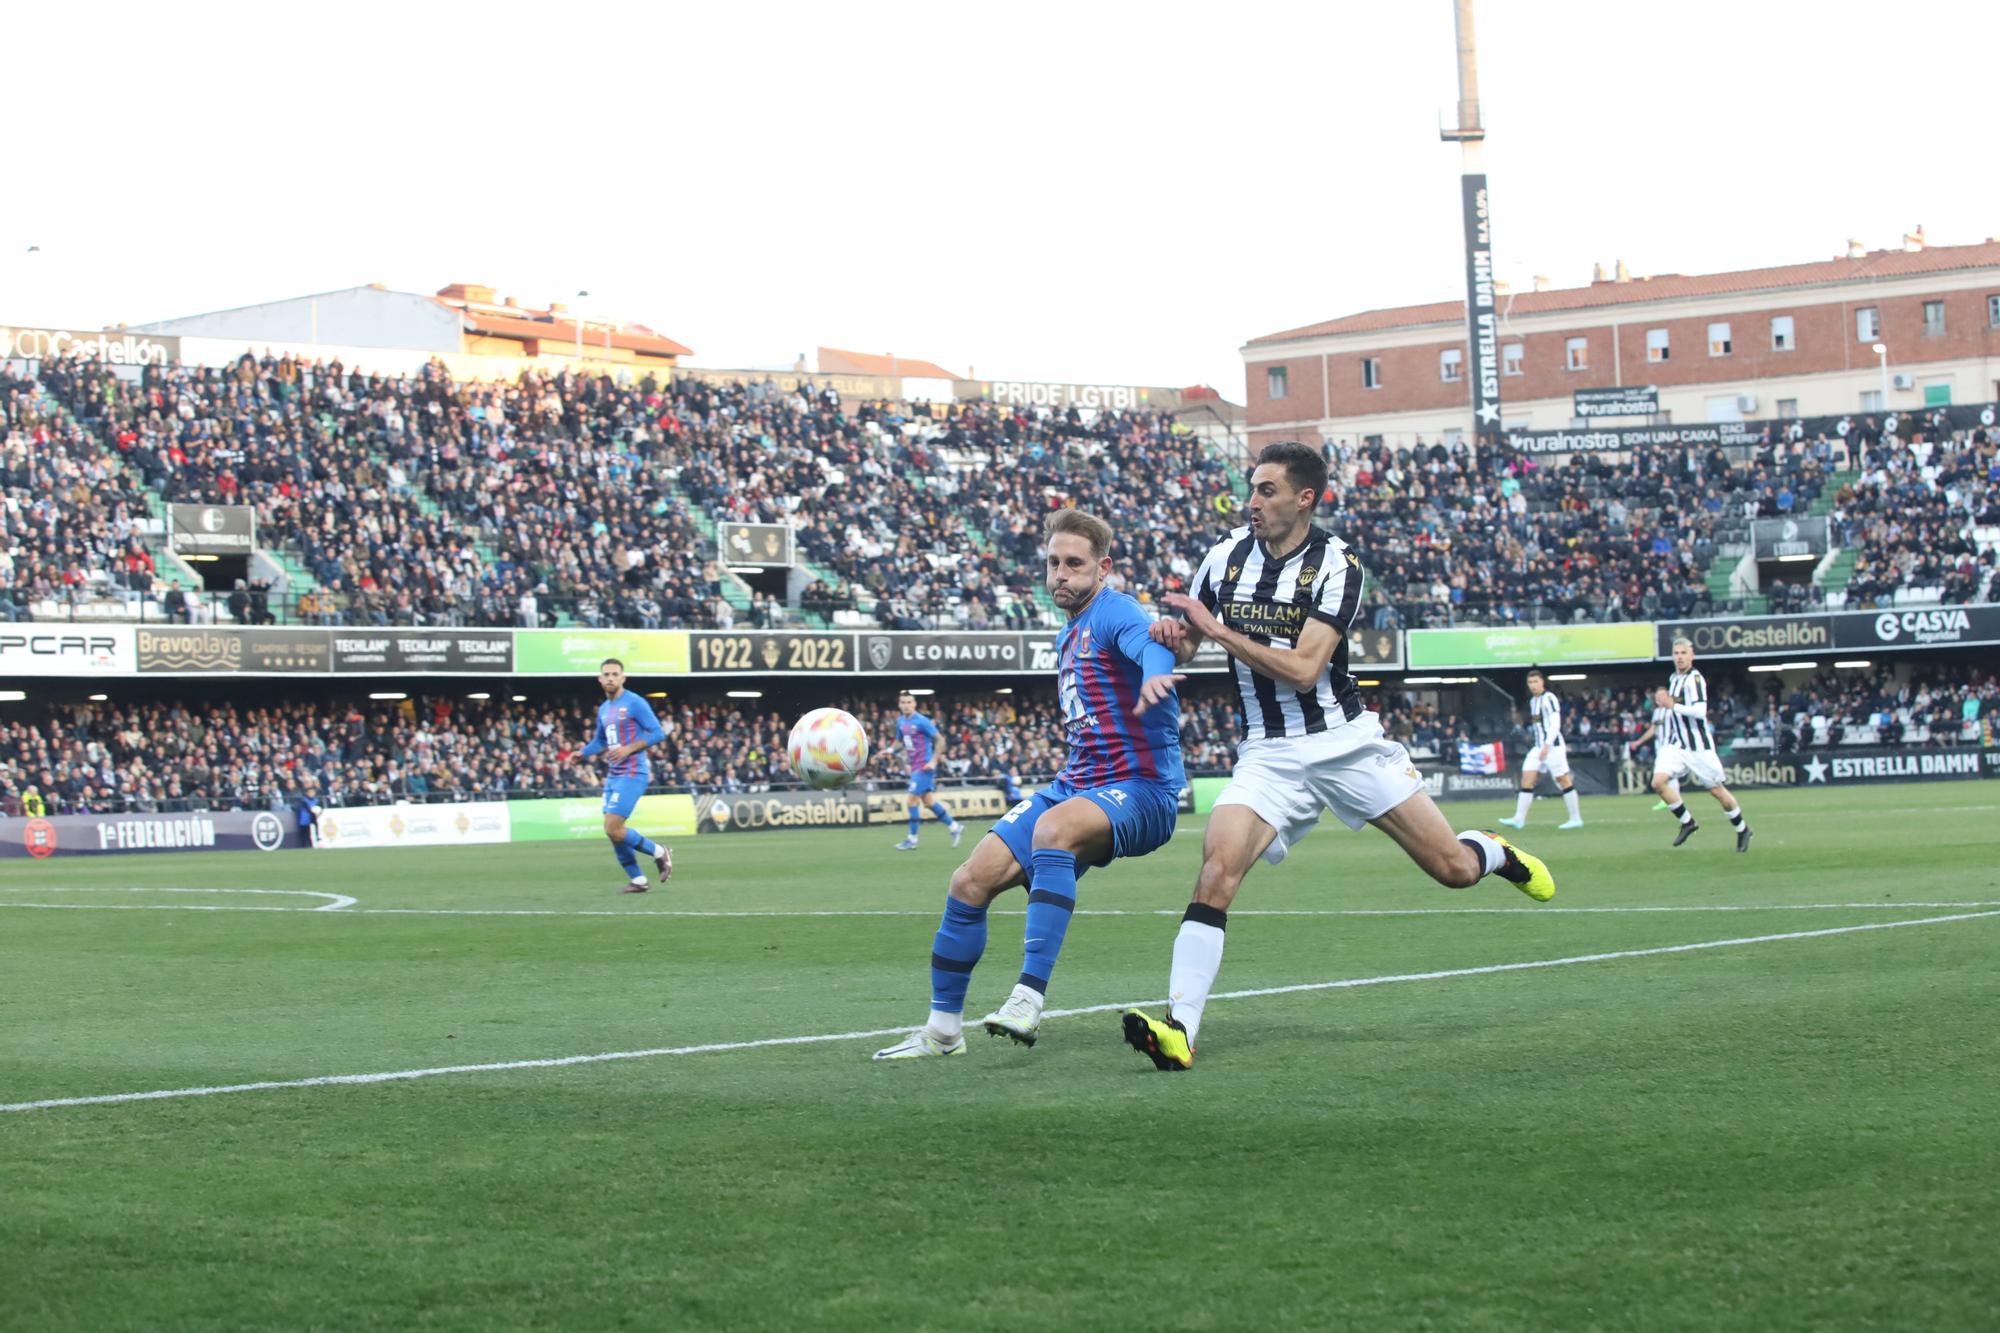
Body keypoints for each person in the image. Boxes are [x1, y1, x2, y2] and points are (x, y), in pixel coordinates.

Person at [1120, 441, 1555, 1073]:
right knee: (1216, 870)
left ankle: (1493, 850)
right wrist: (1172, 640)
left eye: (1267, 491)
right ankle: (1180, 1030)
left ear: (1305, 498)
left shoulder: (1336, 565)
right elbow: (1188, 643)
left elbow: (1303, 670)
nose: (1253, 502)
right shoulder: (1223, 557)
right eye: (1251, 488)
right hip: (1267, 753)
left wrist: (1211, 631)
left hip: (1345, 743)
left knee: (1452, 870)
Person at [874, 507, 1186, 1059]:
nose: (1060, 574)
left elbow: (1150, 643)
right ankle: (943, 1030)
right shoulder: (1069, 633)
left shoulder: (1116, 612)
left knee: (1052, 830)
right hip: (1077, 783)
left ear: (1103, 568)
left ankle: (1027, 998)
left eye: (1074, 563)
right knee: (969, 881)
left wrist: (1159, 668)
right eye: (1052, 563)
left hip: (1141, 787)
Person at [1627, 637, 1752, 851]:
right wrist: (1665, 704)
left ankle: (1742, 828)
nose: (1679, 657)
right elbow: (1672, 707)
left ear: (1691, 655)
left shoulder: (1695, 680)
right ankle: (1687, 822)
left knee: (1717, 792)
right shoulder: (1674, 678)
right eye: (1676, 653)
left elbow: (1700, 712)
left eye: (1683, 653)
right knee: (1658, 783)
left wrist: (1671, 705)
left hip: (1698, 747)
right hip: (1677, 745)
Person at [571, 657, 673, 892]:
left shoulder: (635, 702)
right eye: (606, 674)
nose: (610, 678)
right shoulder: (604, 709)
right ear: (599, 679)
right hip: (614, 776)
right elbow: (600, 741)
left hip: (633, 772)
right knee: (613, 832)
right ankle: (638, 880)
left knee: (613, 827)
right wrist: (582, 753)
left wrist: (629, 748)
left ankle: (660, 852)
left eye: (615, 674)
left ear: (622, 678)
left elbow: (658, 733)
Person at [1500, 667, 1584, 830]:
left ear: (1542, 682)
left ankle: (1575, 818)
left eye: (1536, 681)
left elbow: (1555, 723)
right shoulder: (1533, 701)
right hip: (1538, 747)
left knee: (1563, 780)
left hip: (1552, 747)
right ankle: (1519, 819)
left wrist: (1547, 745)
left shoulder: (1549, 698)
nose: (1533, 685)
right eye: (1530, 682)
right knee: (1527, 778)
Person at [890, 690, 964, 850]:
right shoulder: (901, 721)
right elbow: (899, 741)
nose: (906, 705)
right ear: (899, 704)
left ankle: (912, 839)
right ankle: (954, 827)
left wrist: (933, 761)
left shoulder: (922, 721)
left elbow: (940, 739)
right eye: (903, 702)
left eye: (909, 702)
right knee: (929, 801)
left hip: (924, 766)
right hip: (915, 766)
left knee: (911, 800)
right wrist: (889, 751)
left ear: (914, 704)